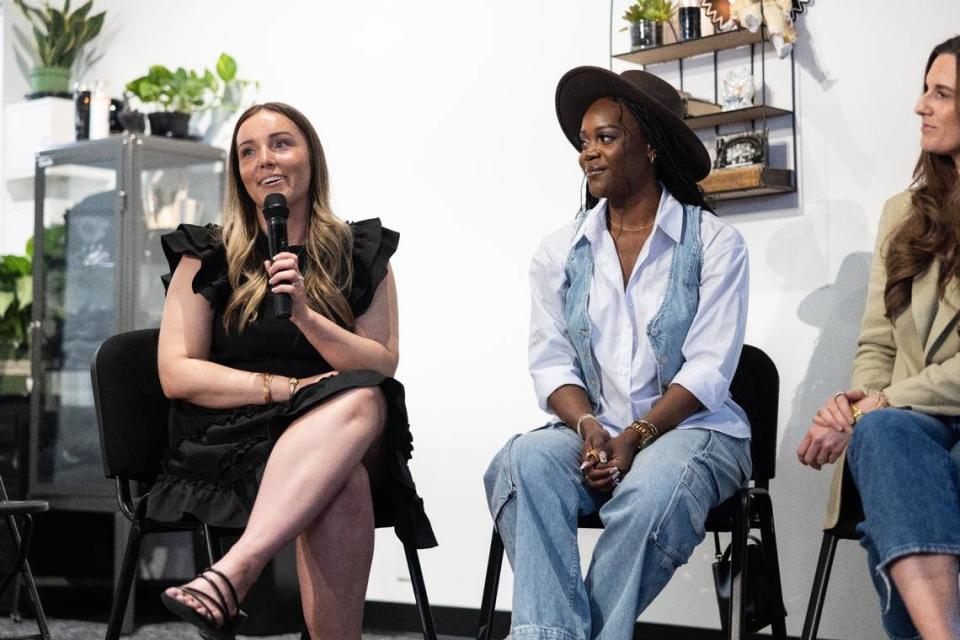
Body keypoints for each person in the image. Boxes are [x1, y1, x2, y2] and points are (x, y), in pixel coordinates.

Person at [483, 67, 752, 640]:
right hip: (597, 432)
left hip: (698, 433)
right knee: (522, 462)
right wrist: (587, 426)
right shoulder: (559, 251)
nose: (588, 154)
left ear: (650, 145)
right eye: (584, 142)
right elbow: (551, 362)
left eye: (606, 138)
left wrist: (635, 437)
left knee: (652, 489)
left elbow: (708, 370)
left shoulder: (714, 244)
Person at [150, 102, 436, 640]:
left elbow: (380, 364)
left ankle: (233, 572)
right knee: (343, 478)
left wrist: (305, 316)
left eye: (281, 143)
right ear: (238, 171)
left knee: (364, 396)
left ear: (311, 157)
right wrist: (282, 388)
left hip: (338, 424)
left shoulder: (360, 250)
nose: (265, 161)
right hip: (235, 431)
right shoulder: (207, 253)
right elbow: (176, 373)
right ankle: (246, 578)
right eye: (248, 151)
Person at [797, 36, 960, 640]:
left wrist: (885, 400)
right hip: (913, 422)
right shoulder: (903, 212)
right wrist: (854, 403)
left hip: (937, 412)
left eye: (941, 93)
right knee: (884, 437)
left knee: (897, 446)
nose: (921, 106)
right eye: (925, 90)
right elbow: (878, 341)